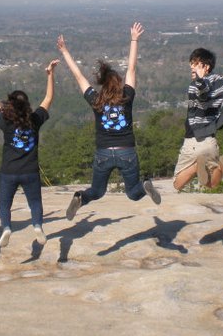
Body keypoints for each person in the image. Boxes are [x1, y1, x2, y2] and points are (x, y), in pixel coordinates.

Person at [57, 22, 161, 220]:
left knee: (97, 191)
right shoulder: (127, 97)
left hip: (103, 153)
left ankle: (80, 197)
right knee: (133, 193)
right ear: (119, 83)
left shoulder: (96, 100)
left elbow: (78, 76)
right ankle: (145, 185)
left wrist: (64, 51)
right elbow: (132, 68)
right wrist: (134, 39)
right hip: (126, 152)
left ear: (102, 84)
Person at [0, 57, 60, 248]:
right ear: (27, 105)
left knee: (4, 204)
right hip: (30, 171)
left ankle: (6, 227)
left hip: (9, 171)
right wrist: (50, 75)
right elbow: (48, 98)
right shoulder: (35, 119)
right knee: (35, 202)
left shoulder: (5, 121)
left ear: (10, 105)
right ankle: (38, 225)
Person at [172, 43, 223, 192]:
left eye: (195, 64)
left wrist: (200, 81)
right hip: (211, 142)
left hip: (194, 141)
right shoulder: (221, 81)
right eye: (191, 63)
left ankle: (197, 166)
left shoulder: (196, 85)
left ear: (206, 67)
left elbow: (204, 94)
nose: (191, 67)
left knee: (177, 184)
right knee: (212, 184)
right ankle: (220, 165)